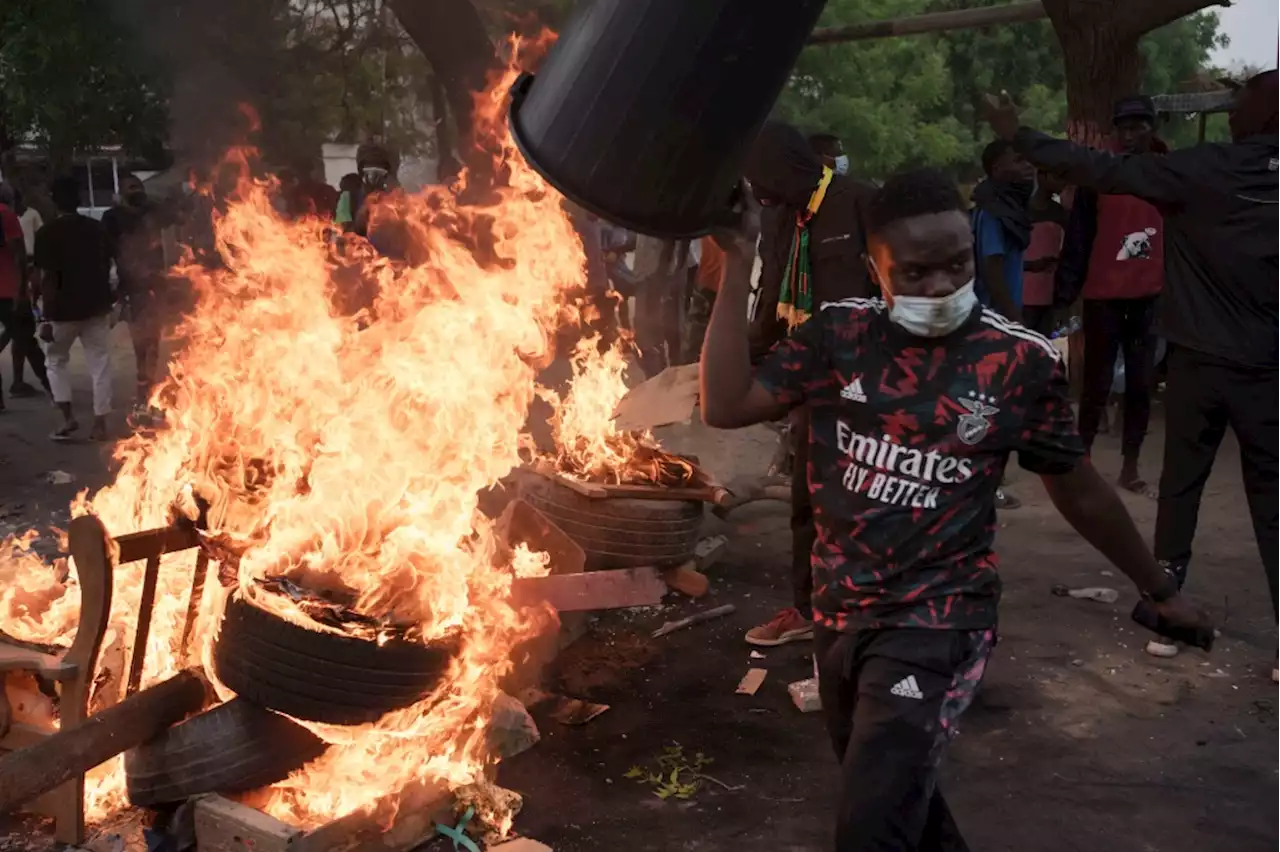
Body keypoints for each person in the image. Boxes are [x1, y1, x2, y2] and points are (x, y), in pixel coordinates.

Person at [700, 166, 1212, 850]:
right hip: (842, 612)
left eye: (956, 264)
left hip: (940, 620)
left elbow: (1078, 486)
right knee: (898, 802)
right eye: (914, 273)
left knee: (871, 823)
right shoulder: (838, 336)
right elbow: (727, 404)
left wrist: (1158, 586)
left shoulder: (1016, 362)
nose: (940, 286)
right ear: (873, 268)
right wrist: (739, 261)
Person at [988, 70, 1280, 668]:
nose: (1230, 114)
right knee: (1273, 499)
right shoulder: (1209, 168)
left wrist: (1021, 135)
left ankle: (1165, 613)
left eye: (1240, 104)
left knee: (1181, 486)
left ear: (1265, 114)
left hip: (1199, 361)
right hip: (1268, 369)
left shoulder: (1205, 168)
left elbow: (1104, 169)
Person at [740, 120, 877, 648]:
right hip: (813, 389)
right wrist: (734, 363)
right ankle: (806, 611)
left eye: (760, 178)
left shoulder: (860, 203)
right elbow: (773, 301)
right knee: (807, 505)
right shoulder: (781, 218)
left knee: (860, 510)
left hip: (869, 388)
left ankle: (865, 623)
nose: (756, 191)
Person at [1053, 95, 1168, 499]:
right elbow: (1079, 239)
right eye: (1125, 127)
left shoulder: (1168, 172)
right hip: (1103, 295)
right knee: (1096, 383)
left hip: (1150, 298)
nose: (1132, 134)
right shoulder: (1098, 176)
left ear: (1152, 128)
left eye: (1139, 126)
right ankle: (1083, 464)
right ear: (1115, 131)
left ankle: (1130, 467)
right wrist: (1065, 293)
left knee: (1140, 384)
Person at [31, 176, 115, 441]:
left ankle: (67, 419)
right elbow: (109, 265)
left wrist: (43, 317)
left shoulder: (46, 233)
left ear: (54, 202)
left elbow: (47, 278)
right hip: (96, 307)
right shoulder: (96, 229)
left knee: (55, 362)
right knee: (99, 364)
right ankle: (100, 423)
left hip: (61, 311)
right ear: (79, 201)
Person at [103, 173, 171, 417]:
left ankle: (148, 394)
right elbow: (109, 251)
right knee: (141, 345)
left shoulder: (151, 212)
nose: (136, 191)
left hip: (156, 287)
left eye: (139, 187)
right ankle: (143, 396)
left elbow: (177, 215)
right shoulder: (112, 217)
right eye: (130, 188)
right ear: (121, 192)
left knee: (154, 344)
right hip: (132, 289)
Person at [972, 139, 1036, 320]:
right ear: (997, 169)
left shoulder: (1008, 208)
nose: (1028, 166)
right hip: (995, 315)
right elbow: (991, 266)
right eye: (1019, 160)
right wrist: (1012, 315)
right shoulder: (995, 211)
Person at [0, 185, 51, 401]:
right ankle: (52, 388)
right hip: (8, 287)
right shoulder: (6, 215)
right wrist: (22, 287)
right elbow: (19, 252)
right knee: (26, 336)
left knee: (19, 334)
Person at [1020, 170, 1068, 336]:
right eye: (1058, 176)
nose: (1063, 183)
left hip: (1048, 292)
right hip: (1023, 294)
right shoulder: (1021, 211)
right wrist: (1031, 265)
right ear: (1041, 176)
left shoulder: (1060, 213)